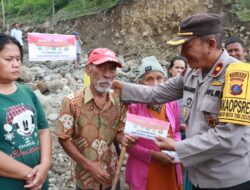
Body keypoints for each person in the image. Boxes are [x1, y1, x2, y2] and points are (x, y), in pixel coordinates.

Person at [113, 13, 250, 190]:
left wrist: (177, 146)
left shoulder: (238, 75)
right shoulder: (193, 73)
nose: (182, 54)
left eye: (187, 46)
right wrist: (120, 87)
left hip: (228, 180)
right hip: (199, 177)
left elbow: (227, 137)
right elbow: (156, 93)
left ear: (211, 44)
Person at [57, 48, 133, 190]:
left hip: (111, 173)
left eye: (112, 70)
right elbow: (63, 138)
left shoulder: (119, 100)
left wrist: (123, 138)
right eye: (101, 68)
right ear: (87, 69)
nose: (107, 75)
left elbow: (119, 131)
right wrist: (88, 164)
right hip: (84, 177)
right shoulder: (72, 102)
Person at [0, 33, 52, 190]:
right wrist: (30, 174)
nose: (16, 64)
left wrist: (45, 164)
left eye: (18, 59)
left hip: (39, 181)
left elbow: (43, 130)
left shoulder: (27, 92)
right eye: (9, 59)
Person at [125, 56, 182, 190]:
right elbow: (128, 144)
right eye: (149, 79)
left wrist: (175, 147)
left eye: (158, 78)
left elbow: (177, 130)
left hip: (170, 165)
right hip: (145, 169)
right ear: (140, 83)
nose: (155, 83)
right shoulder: (133, 107)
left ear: (165, 81)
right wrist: (153, 155)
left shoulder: (171, 103)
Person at [168, 56, 192, 190]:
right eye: (176, 67)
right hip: (172, 133)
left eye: (182, 68)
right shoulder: (164, 88)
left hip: (187, 133)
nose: (179, 70)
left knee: (185, 165)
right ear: (170, 69)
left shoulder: (189, 87)